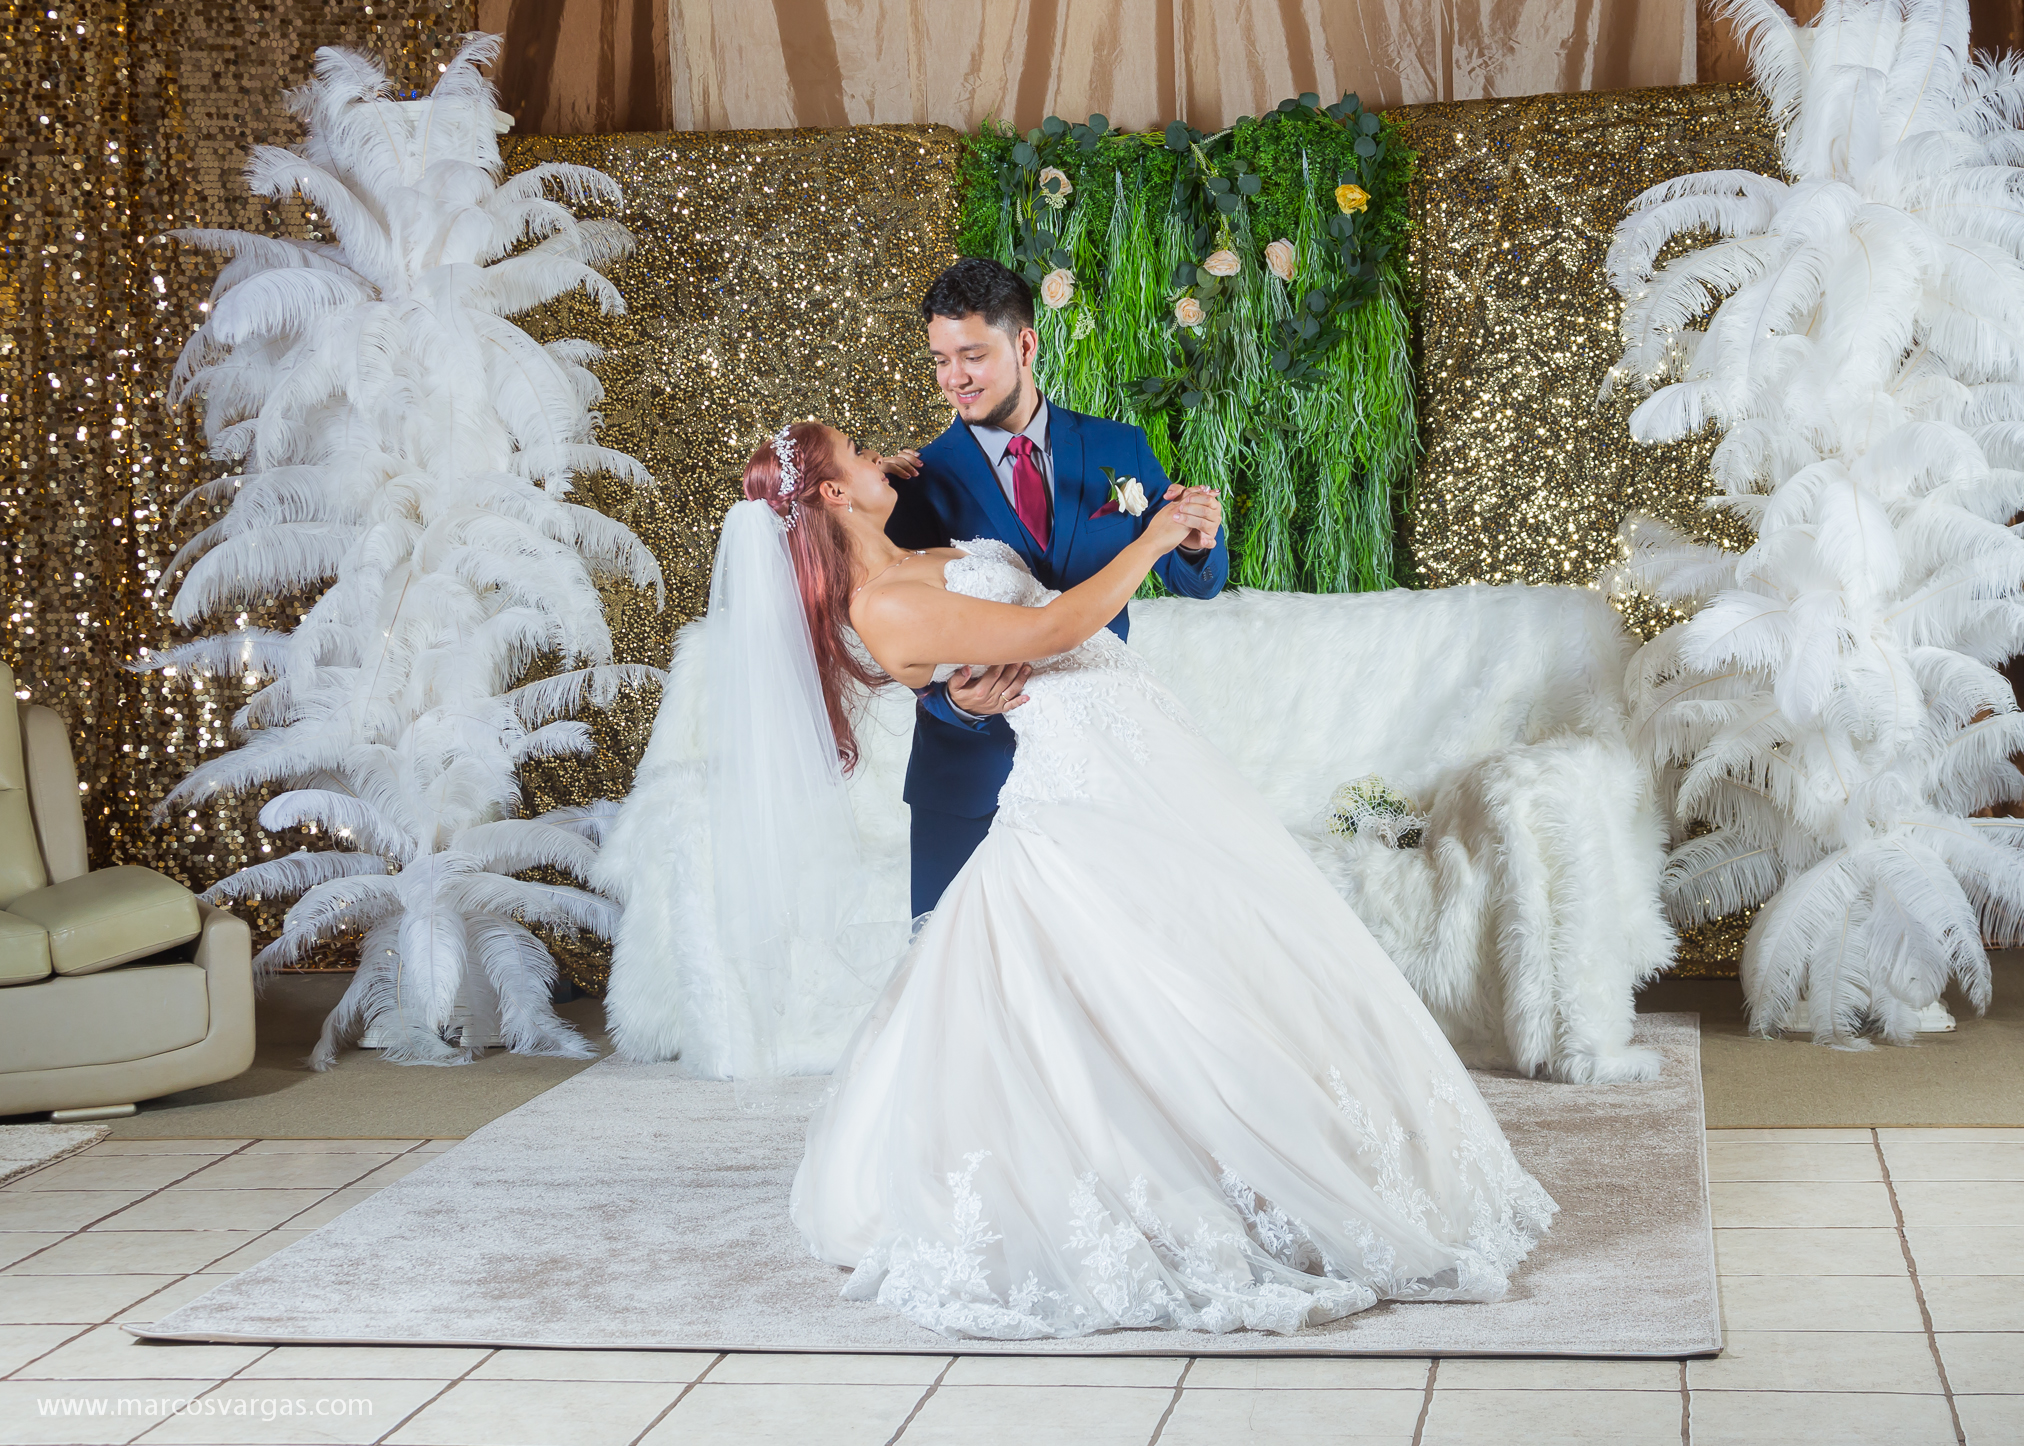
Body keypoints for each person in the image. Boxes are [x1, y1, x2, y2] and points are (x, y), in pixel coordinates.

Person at [710, 415, 1555, 1341]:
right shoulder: (881, 605)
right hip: (1077, 768)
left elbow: (979, 574)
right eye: (858, 454)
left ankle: (1272, 1150)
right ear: (831, 494)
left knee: (1219, 938)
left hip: (1134, 737)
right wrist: (1148, 539)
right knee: (1146, 971)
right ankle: (1180, 1171)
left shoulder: (908, 535)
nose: (881, 456)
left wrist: (1171, 529)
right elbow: (1048, 626)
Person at [885, 258, 1230, 919]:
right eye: (939, 360)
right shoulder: (916, 483)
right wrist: (951, 703)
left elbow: (1193, 581)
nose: (953, 379)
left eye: (972, 356)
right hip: (969, 771)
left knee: (1105, 973)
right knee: (955, 982)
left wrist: (1196, 543)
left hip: (1099, 764)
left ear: (1025, 344)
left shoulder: (1120, 448)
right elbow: (891, 624)